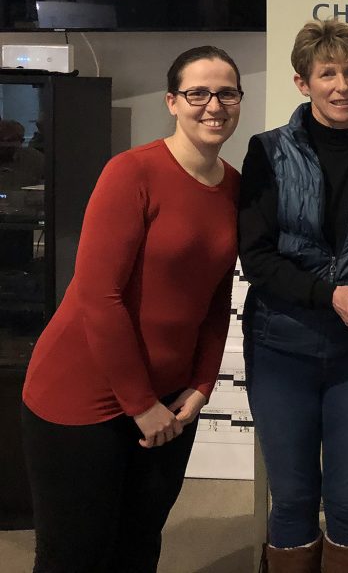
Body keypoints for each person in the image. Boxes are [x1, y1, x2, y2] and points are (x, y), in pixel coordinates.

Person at [21, 45, 244, 572]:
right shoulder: (132, 172)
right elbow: (99, 295)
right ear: (172, 101)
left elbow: (215, 298)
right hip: (84, 396)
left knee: (138, 547)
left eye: (227, 93)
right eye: (197, 93)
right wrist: (140, 403)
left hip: (168, 400)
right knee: (74, 556)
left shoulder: (234, 187)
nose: (214, 105)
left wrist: (202, 384)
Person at [239, 19, 348, 572]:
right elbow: (257, 259)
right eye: (327, 73)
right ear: (301, 82)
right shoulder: (267, 152)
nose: (342, 85)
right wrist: (327, 292)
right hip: (282, 346)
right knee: (291, 499)